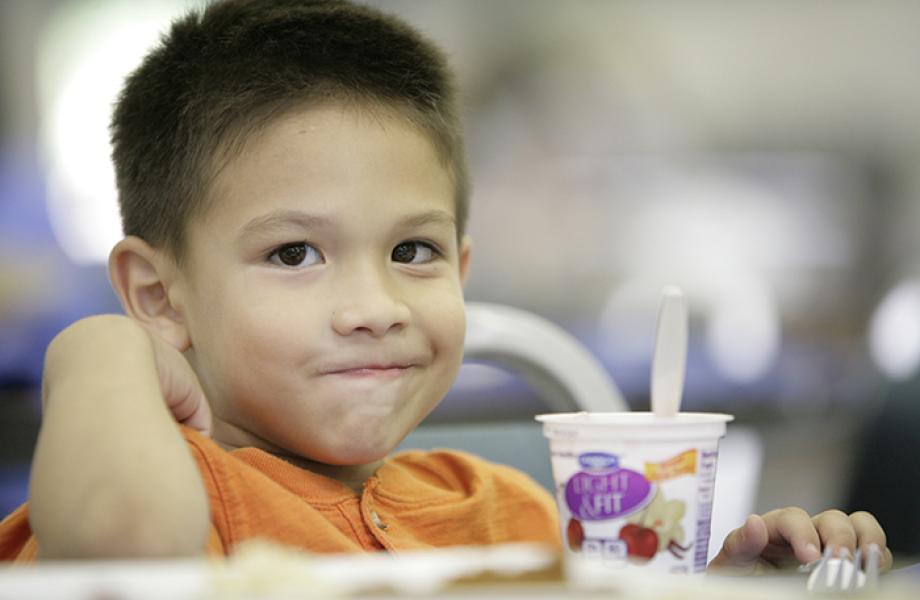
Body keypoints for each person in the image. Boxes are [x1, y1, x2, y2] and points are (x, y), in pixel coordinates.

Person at [0, 0, 892, 573]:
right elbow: (121, 549)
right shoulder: (167, 492)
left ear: (463, 269)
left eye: (414, 252)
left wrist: (733, 585)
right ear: (159, 298)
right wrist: (98, 351)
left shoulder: (502, 510)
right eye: (294, 255)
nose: (375, 308)